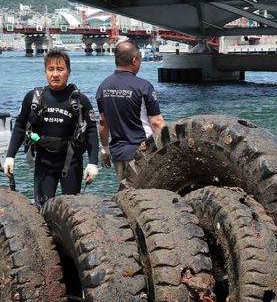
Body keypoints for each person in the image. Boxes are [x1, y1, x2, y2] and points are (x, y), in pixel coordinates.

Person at [3, 49, 99, 207]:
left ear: (68, 72)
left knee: (72, 211)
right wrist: (10, 156)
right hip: (44, 164)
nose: (55, 74)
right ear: (45, 72)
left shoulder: (79, 100)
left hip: (71, 163)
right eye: (51, 69)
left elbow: (91, 132)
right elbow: (20, 126)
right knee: (43, 209)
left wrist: (93, 163)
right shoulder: (33, 98)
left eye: (60, 69)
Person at [96, 40, 165, 181]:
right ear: (134, 61)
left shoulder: (103, 86)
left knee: (125, 195)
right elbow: (157, 122)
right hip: (141, 152)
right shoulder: (144, 87)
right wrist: (168, 147)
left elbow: (103, 123)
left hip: (118, 154)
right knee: (145, 196)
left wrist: (105, 148)